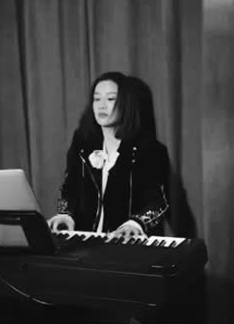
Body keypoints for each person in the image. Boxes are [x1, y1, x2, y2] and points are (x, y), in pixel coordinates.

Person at [47, 72, 170, 241]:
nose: (101, 106)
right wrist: (65, 214)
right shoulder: (82, 142)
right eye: (97, 99)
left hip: (125, 242)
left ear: (125, 103)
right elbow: (69, 187)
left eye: (110, 99)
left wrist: (134, 224)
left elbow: (158, 203)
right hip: (85, 241)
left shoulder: (148, 149)